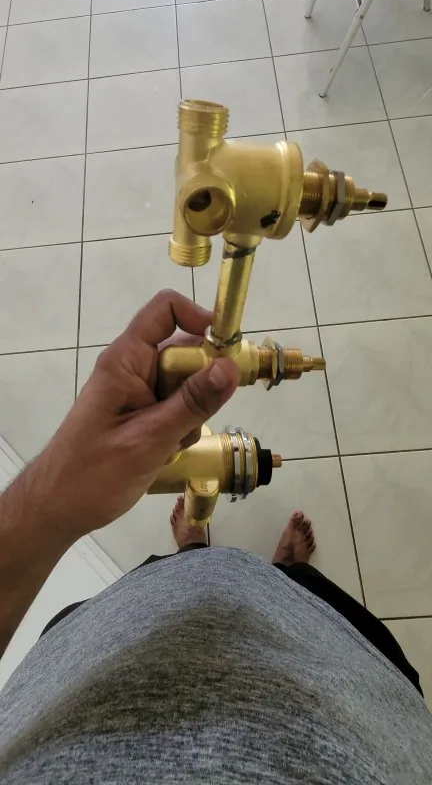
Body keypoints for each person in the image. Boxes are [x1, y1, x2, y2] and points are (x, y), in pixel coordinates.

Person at [0, 290, 430, 784]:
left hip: (101, 653)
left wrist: (52, 499)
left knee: (171, 580)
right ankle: (288, 573)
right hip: (352, 706)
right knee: (310, 601)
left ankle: (193, 551)